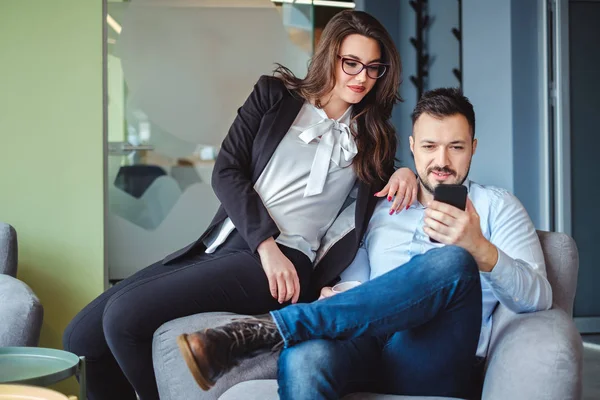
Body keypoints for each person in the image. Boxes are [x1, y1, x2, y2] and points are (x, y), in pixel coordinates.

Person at [62, 10, 418, 400]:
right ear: (329, 56)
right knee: (80, 335)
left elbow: (379, 192)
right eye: (351, 63)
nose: (361, 77)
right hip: (233, 244)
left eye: (373, 68)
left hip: (288, 264)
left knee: (123, 319)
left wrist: (406, 174)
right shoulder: (273, 96)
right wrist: (264, 244)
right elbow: (226, 171)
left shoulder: (374, 139)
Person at [176, 88, 553, 400]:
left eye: (455, 147)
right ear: (412, 146)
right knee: (307, 356)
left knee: (453, 261)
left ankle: (270, 330)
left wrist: (480, 248)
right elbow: (361, 283)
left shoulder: (497, 206)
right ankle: (285, 331)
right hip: (366, 347)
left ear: (473, 147)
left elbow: (539, 296)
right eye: (429, 147)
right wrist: (336, 294)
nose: (441, 161)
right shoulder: (381, 205)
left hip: (434, 358)